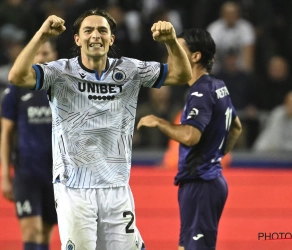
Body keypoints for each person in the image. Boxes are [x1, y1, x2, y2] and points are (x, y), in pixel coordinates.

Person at [8, 8, 192, 250]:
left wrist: (170, 42)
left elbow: (181, 74)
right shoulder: (60, 72)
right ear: (77, 39)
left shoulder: (130, 70)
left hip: (116, 188)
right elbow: (17, 76)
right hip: (74, 188)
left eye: (102, 30)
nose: (96, 35)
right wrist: (42, 34)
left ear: (111, 39)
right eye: (88, 30)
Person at [137, 28, 242, 250]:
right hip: (211, 180)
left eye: (178, 51)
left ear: (195, 57)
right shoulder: (217, 86)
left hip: (200, 184)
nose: (171, 57)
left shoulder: (199, 92)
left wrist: (159, 122)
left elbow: (190, 136)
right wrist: (216, 156)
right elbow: (235, 128)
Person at [1, 39, 57, 250]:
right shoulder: (16, 91)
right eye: (39, 54)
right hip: (27, 172)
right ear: (31, 58)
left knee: (44, 232)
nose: (43, 58)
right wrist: (6, 175)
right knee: (31, 230)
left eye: (47, 53)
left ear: (55, 56)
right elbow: (6, 134)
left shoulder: (61, 89)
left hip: (56, 174)